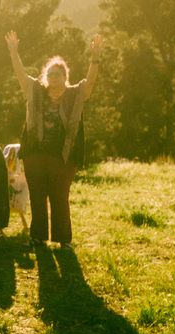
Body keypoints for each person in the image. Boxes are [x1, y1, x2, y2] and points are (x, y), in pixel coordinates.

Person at [6, 30, 103, 247]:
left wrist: (94, 58)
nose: (53, 78)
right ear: (45, 77)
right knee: (38, 197)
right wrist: (14, 52)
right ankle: (37, 237)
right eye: (50, 74)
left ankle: (63, 239)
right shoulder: (35, 92)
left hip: (63, 156)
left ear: (65, 77)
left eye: (57, 74)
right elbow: (20, 74)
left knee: (60, 198)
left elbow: (90, 83)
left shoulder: (74, 95)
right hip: (36, 155)